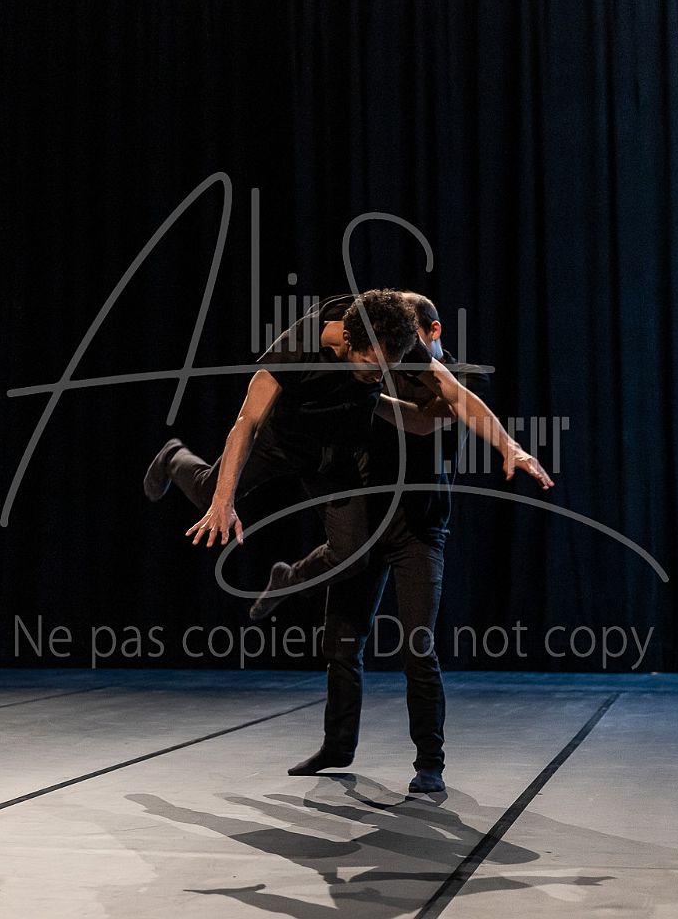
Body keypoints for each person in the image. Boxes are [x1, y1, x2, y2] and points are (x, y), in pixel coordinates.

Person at [284, 293, 484, 794]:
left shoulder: (457, 379)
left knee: (418, 647)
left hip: (419, 529)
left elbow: (427, 422)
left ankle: (430, 762)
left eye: (407, 338)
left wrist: (373, 394)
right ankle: (337, 746)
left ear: (432, 333)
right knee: (341, 642)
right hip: (365, 522)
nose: (397, 348)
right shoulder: (375, 368)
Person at [142, 289, 420, 595]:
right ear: (347, 339)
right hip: (280, 441)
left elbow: (442, 381)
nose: (380, 378)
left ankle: (287, 579)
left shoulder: (388, 333)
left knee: (352, 555)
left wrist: (455, 408)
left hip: (332, 448)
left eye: (388, 370)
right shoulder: (297, 346)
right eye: (372, 366)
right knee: (208, 495)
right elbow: (247, 422)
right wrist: (224, 500)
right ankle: (172, 456)